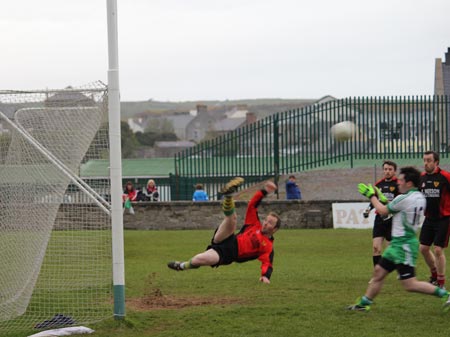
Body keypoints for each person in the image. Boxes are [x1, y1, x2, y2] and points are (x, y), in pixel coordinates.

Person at [348, 167, 450, 312]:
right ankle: (363, 304)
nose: (398, 183)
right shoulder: (419, 197)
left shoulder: (404, 198)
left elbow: (383, 211)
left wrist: (371, 196)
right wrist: (383, 199)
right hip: (398, 244)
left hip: (404, 245)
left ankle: (445, 294)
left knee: (410, 284)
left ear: (409, 183)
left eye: (401, 180)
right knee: (379, 272)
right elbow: (396, 209)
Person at [168, 178, 281, 284]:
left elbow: (267, 263)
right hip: (227, 237)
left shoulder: (268, 247)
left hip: (228, 254)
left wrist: (265, 276)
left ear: (275, 229)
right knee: (232, 219)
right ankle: (228, 196)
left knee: (199, 259)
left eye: (270, 223)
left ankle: (181, 266)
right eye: (266, 220)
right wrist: (264, 191)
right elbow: (252, 205)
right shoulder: (254, 224)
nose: (265, 223)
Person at [419, 150, 450, 289]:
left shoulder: (445, 177)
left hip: (444, 218)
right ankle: (434, 275)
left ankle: (441, 283)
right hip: (429, 218)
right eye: (424, 160)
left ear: (436, 162)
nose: (426, 163)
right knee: (423, 248)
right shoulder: (422, 178)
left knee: (438, 250)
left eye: (429, 160)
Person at [363, 160, 399, 268]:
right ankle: (376, 275)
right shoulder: (378, 185)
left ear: (394, 171)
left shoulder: (399, 184)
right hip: (380, 219)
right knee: (376, 248)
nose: (387, 171)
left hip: (393, 220)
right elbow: (374, 200)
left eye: (390, 169)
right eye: (385, 169)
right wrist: (368, 210)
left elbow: (400, 202)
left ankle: (401, 269)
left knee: (390, 250)